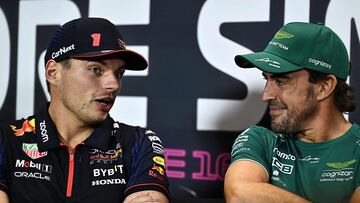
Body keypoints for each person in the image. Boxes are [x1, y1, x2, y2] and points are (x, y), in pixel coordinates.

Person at [0, 17, 169, 203]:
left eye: (119, 73)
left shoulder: (138, 142)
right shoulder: (6, 140)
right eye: (95, 69)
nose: (113, 84)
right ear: (53, 73)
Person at [224, 22, 360, 203]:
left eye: (281, 81)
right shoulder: (260, 139)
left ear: (324, 87)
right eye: (267, 79)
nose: (266, 95)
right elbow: (239, 194)